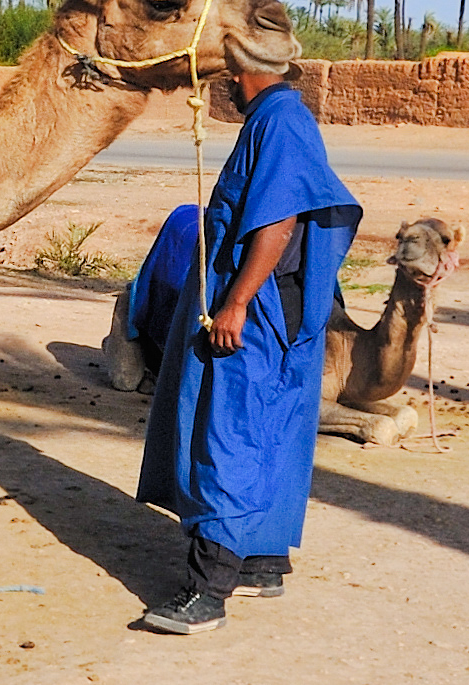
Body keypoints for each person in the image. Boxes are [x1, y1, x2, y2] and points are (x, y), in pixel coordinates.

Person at [134, 59, 363, 633]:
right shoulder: (281, 118)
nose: (220, 88)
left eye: (223, 77)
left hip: (260, 309)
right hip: (276, 306)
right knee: (272, 425)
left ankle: (206, 589)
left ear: (241, 74)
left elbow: (278, 222)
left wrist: (236, 301)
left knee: (228, 432)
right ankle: (261, 558)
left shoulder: (280, 121)